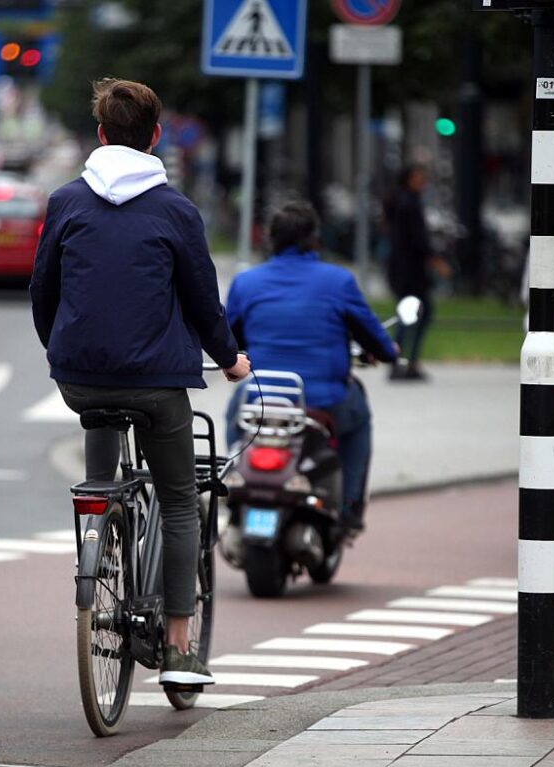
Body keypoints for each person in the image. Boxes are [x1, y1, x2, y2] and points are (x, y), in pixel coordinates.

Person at [31, 78, 250, 687]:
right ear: (155, 138)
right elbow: (205, 305)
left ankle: (101, 532)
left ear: (101, 135)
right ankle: (179, 646)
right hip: (157, 383)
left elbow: (42, 292)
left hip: (79, 378)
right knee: (182, 498)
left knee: (99, 474)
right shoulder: (177, 211)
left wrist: (63, 349)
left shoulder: (66, 202)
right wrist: (230, 358)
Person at [225, 201, 397, 533]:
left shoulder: (247, 283)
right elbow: (373, 335)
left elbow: (227, 340)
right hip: (323, 400)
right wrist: (388, 351)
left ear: (271, 239)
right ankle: (349, 507)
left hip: (262, 398)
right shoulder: (338, 281)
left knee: (236, 416)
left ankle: (234, 481)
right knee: (358, 422)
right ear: (313, 239)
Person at [385, 163, 438, 381]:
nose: (422, 181)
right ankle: (406, 362)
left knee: (409, 315)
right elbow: (418, 241)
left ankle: (402, 361)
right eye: (418, 177)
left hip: (402, 270)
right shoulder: (410, 204)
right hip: (411, 273)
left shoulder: (401, 201)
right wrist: (434, 260)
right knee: (416, 315)